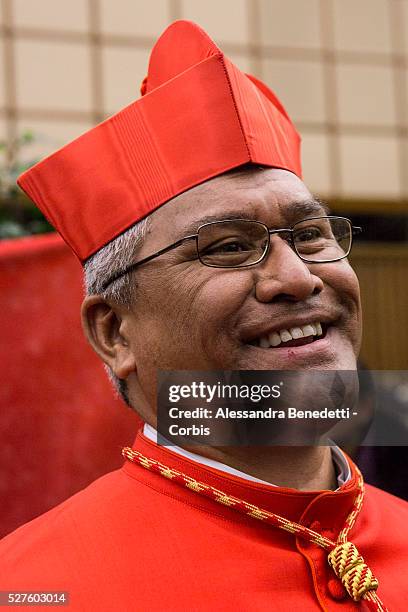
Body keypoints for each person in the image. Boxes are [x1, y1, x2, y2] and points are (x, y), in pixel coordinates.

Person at [1, 20, 407, 611]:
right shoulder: (36, 587)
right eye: (228, 247)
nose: (299, 277)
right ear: (115, 331)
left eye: (311, 235)